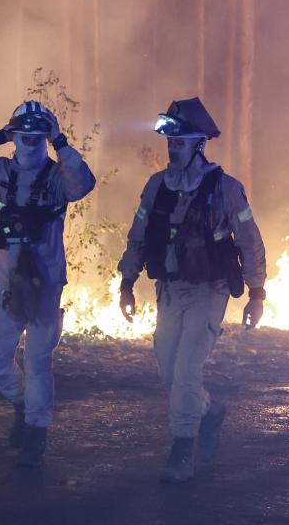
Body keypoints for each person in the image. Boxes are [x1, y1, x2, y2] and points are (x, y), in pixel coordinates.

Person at [116, 97, 268, 483]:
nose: (172, 148)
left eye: (179, 142)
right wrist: (128, 281)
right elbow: (138, 236)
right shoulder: (156, 187)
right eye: (170, 142)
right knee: (169, 374)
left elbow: (249, 241)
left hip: (209, 291)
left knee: (185, 375)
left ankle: (182, 453)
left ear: (199, 144)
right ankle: (210, 412)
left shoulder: (226, 189)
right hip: (170, 290)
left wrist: (257, 292)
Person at [0, 100, 96, 467]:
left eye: (38, 134)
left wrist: (60, 142)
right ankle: (20, 404)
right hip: (5, 285)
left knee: (37, 360)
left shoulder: (58, 178)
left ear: (46, 136)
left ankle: (35, 432)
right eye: (23, 133)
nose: (30, 140)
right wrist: (0, 134)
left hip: (45, 285)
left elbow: (83, 183)